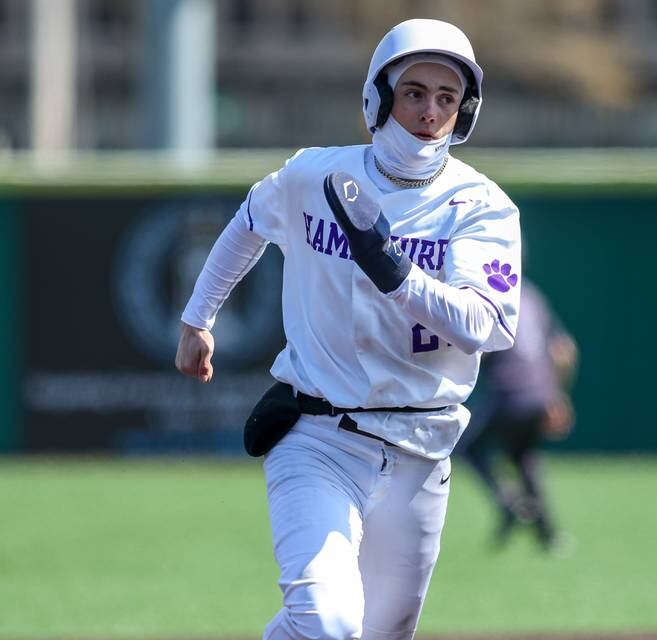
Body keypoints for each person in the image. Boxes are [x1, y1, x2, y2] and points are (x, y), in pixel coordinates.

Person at [175, 19, 521, 640]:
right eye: (414, 91)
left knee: (381, 633)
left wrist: (396, 273)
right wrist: (198, 317)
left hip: (422, 445)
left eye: (447, 97)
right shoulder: (317, 176)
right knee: (327, 621)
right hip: (317, 435)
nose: (430, 110)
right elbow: (249, 221)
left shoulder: (481, 205)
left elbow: (488, 325)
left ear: (465, 111)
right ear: (378, 97)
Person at [457, 277, 578, 554]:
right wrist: (558, 396)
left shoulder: (489, 296)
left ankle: (510, 503)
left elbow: (477, 347)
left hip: (509, 394)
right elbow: (565, 350)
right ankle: (547, 534)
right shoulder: (533, 295)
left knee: (469, 448)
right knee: (522, 455)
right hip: (540, 397)